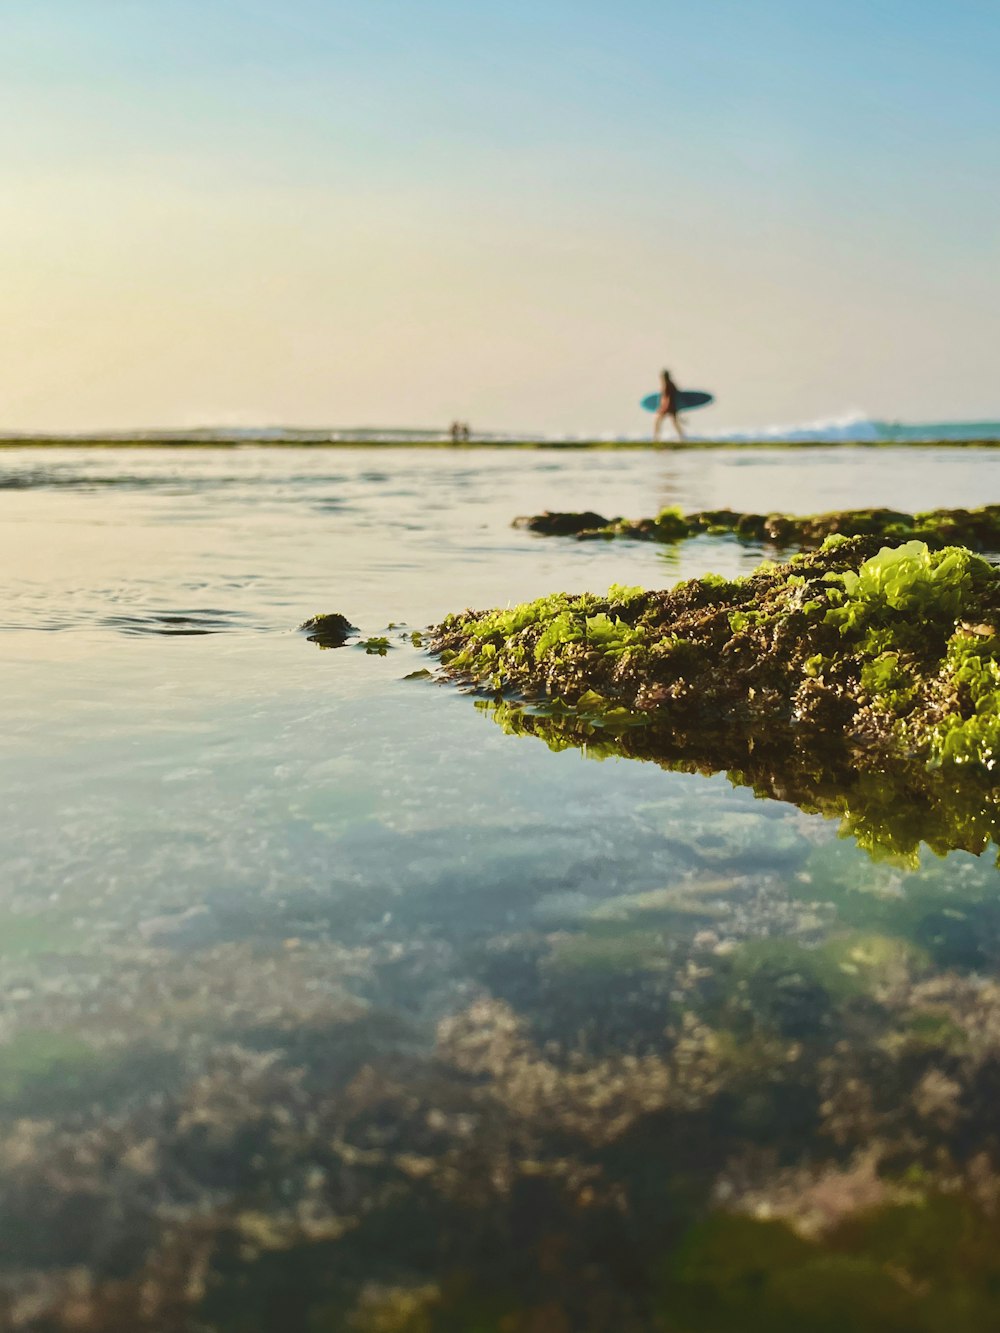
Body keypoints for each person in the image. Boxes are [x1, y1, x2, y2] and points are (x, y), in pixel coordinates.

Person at [653, 369, 685, 443]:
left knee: (657, 421)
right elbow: (676, 394)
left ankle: (656, 438)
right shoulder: (671, 384)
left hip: (667, 407)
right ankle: (682, 437)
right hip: (672, 407)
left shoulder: (667, 385)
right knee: (674, 422)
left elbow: (669, 397)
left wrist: (664, 407)